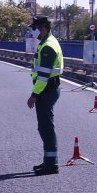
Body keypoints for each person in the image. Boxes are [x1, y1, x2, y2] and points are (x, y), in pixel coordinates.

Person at [26, 15, 63, 176]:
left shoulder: (48, 46)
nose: (33, 31)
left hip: (46, 89)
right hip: (48, 88)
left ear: (44, 28)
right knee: (45, 126)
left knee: (46, 127)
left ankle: (52, 164)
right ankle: (49, 162)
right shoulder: (46, 42)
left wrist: (34, 94)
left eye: (35, 28)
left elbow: (43, 76)